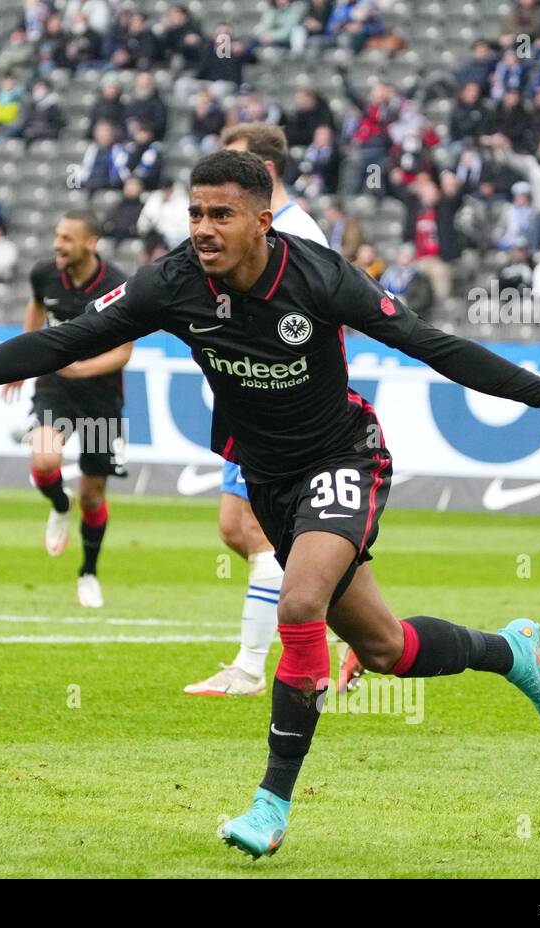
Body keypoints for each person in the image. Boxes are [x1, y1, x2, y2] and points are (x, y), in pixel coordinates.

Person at [0, 151, 540, 860]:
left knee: (298, 600)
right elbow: (66, 341)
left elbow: (434, 344)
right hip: (269, 477)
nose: (203, 227)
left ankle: (271, 805)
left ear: (264, 219)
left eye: (221, 213)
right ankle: (513, 652)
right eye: (194, 212)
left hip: (344, 458)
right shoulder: (172, 282)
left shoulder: (322, 276)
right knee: (386, 649)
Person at [184, 123, 365, 699]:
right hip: (247, 412)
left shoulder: (295, 234)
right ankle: (349, 632)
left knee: (253, 532)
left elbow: (326, 317)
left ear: (261, 174)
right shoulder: (237, 235)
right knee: (241, 530)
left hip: (287, 417)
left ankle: (253, 665)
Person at [1, 211, 130, 608]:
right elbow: (37, 307)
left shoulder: (116, 284)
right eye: (57, 236)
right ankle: (60, 504)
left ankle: (88, 573)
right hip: (55, 388)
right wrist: (22, 359)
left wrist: (81, 369)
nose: (58, 245)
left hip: (100, 397)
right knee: (44, 460)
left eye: (67, 239)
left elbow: (124, 351)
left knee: (93, 496)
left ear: (90, 244)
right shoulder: (44, 273)